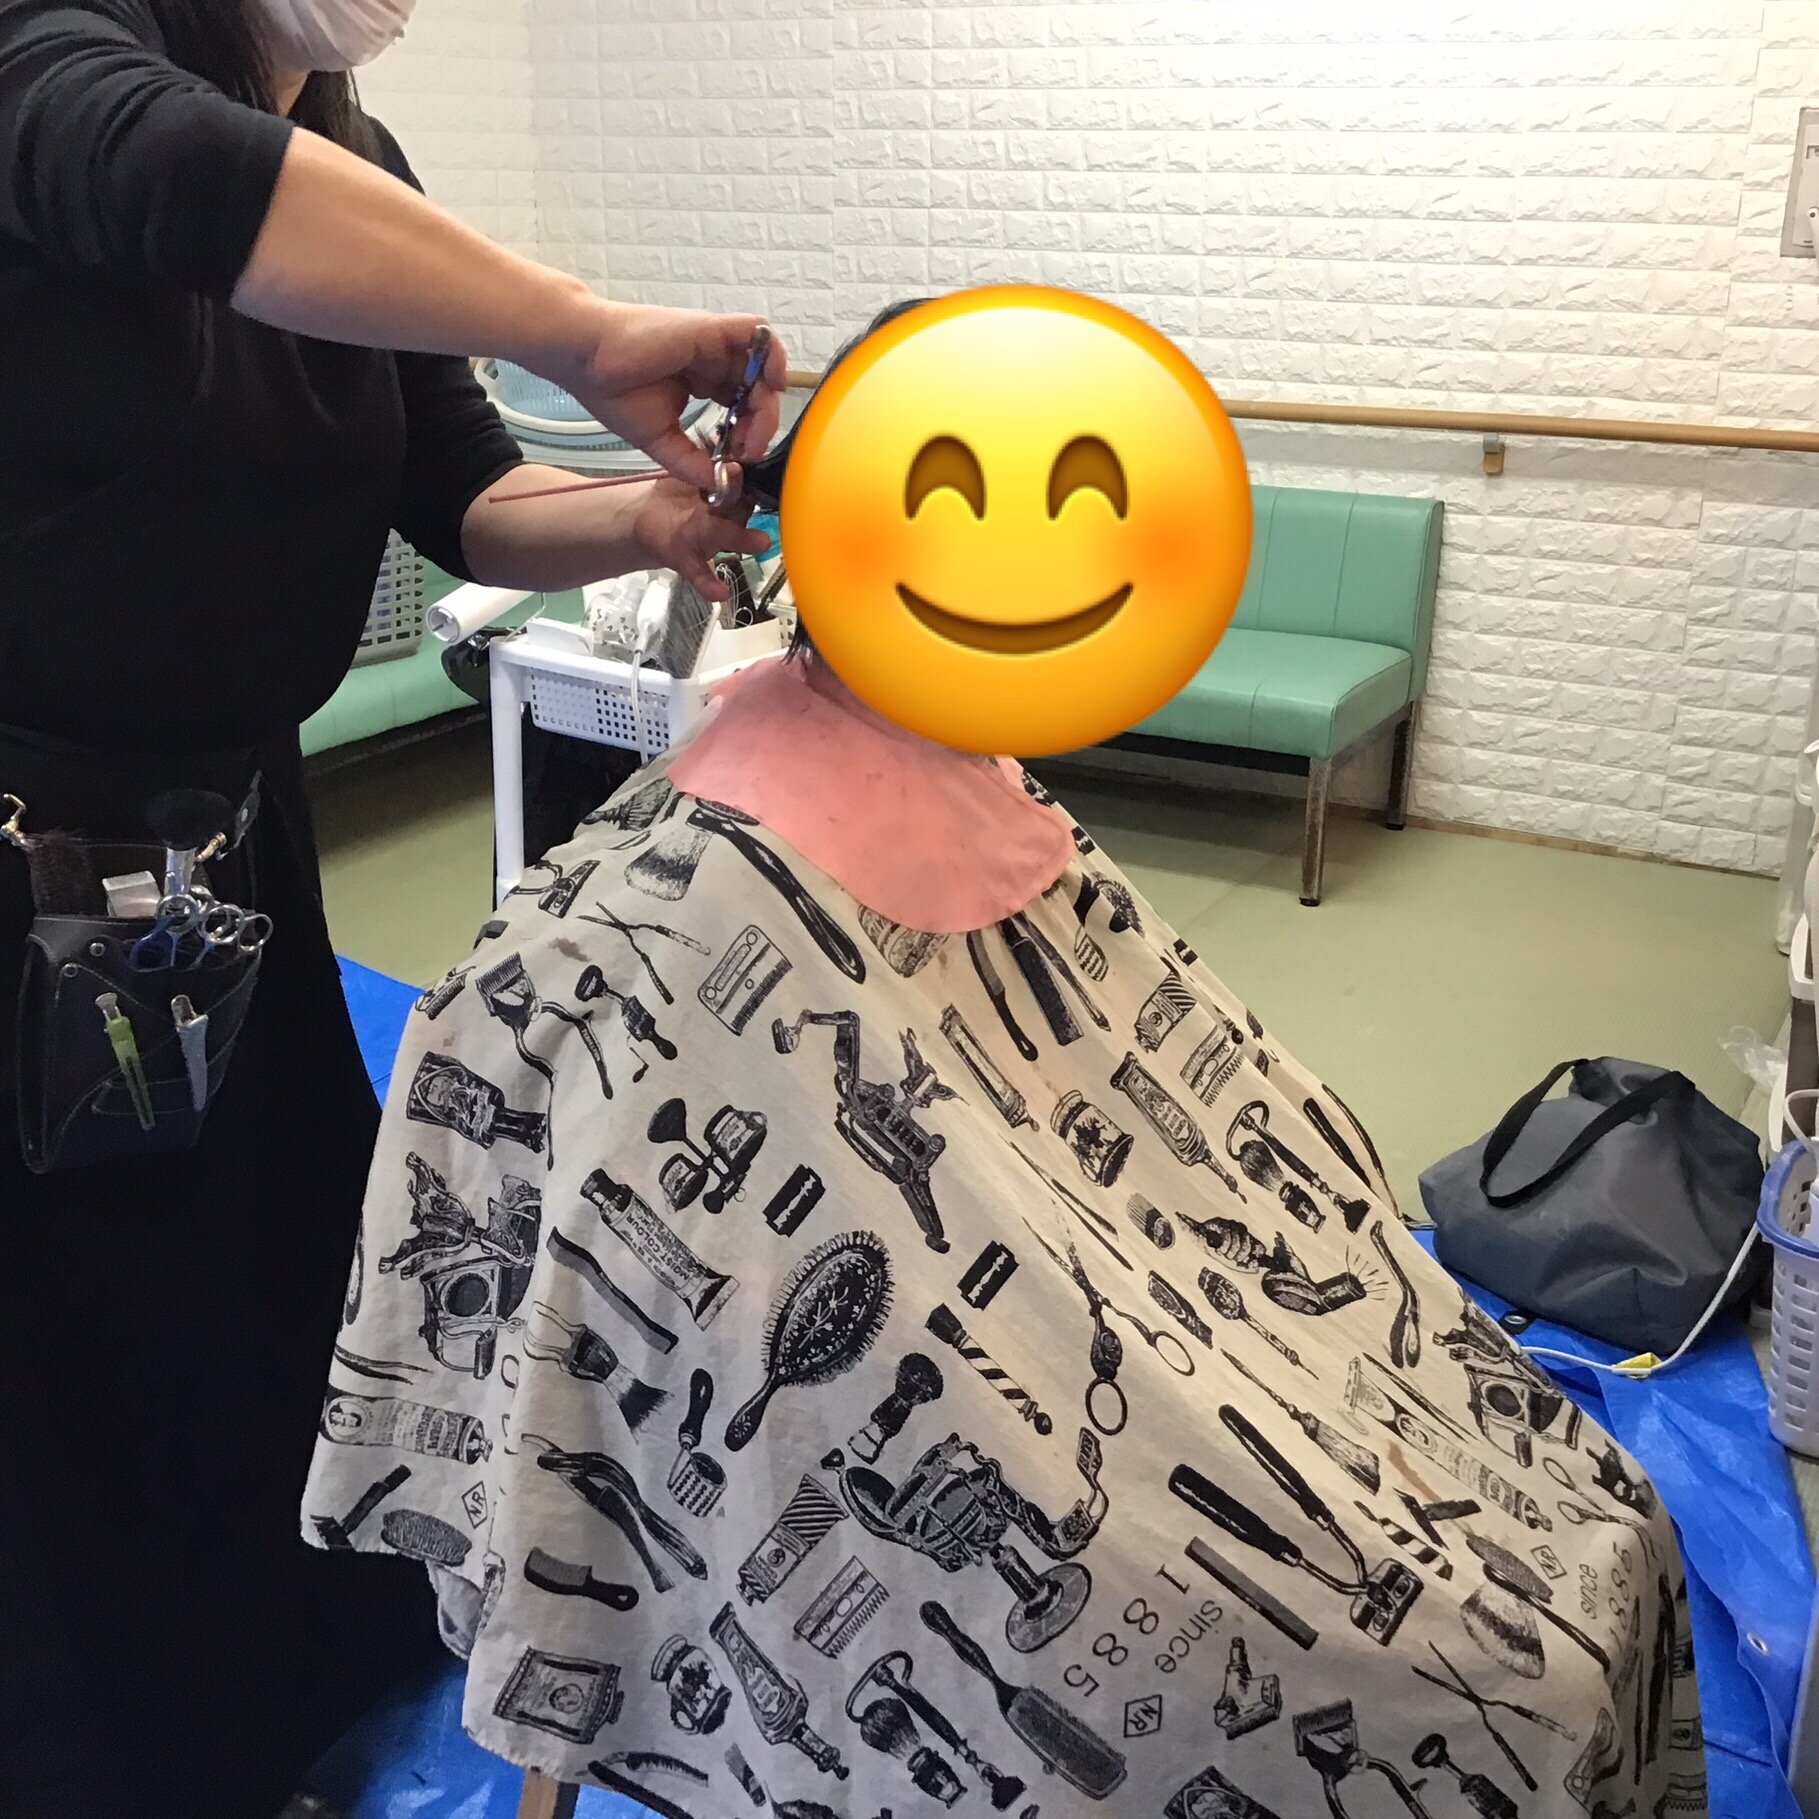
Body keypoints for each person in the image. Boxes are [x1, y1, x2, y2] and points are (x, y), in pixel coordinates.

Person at [297, 306, 1709, 1819]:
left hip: (1216, 1335)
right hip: (1058, 1447)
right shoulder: (663, 920)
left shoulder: (967, 766)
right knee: (1519, 1684)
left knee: (1597, 1547)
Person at [0, 1, 779, 1812]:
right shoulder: (51, 59)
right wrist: (585, 327)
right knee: (79, 1331)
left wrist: (650, 523)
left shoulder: (358, 156)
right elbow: (180, 179)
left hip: (232, 836)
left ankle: (288, 1660)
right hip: (36, 845)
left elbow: (469, 489)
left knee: (273, 1256)